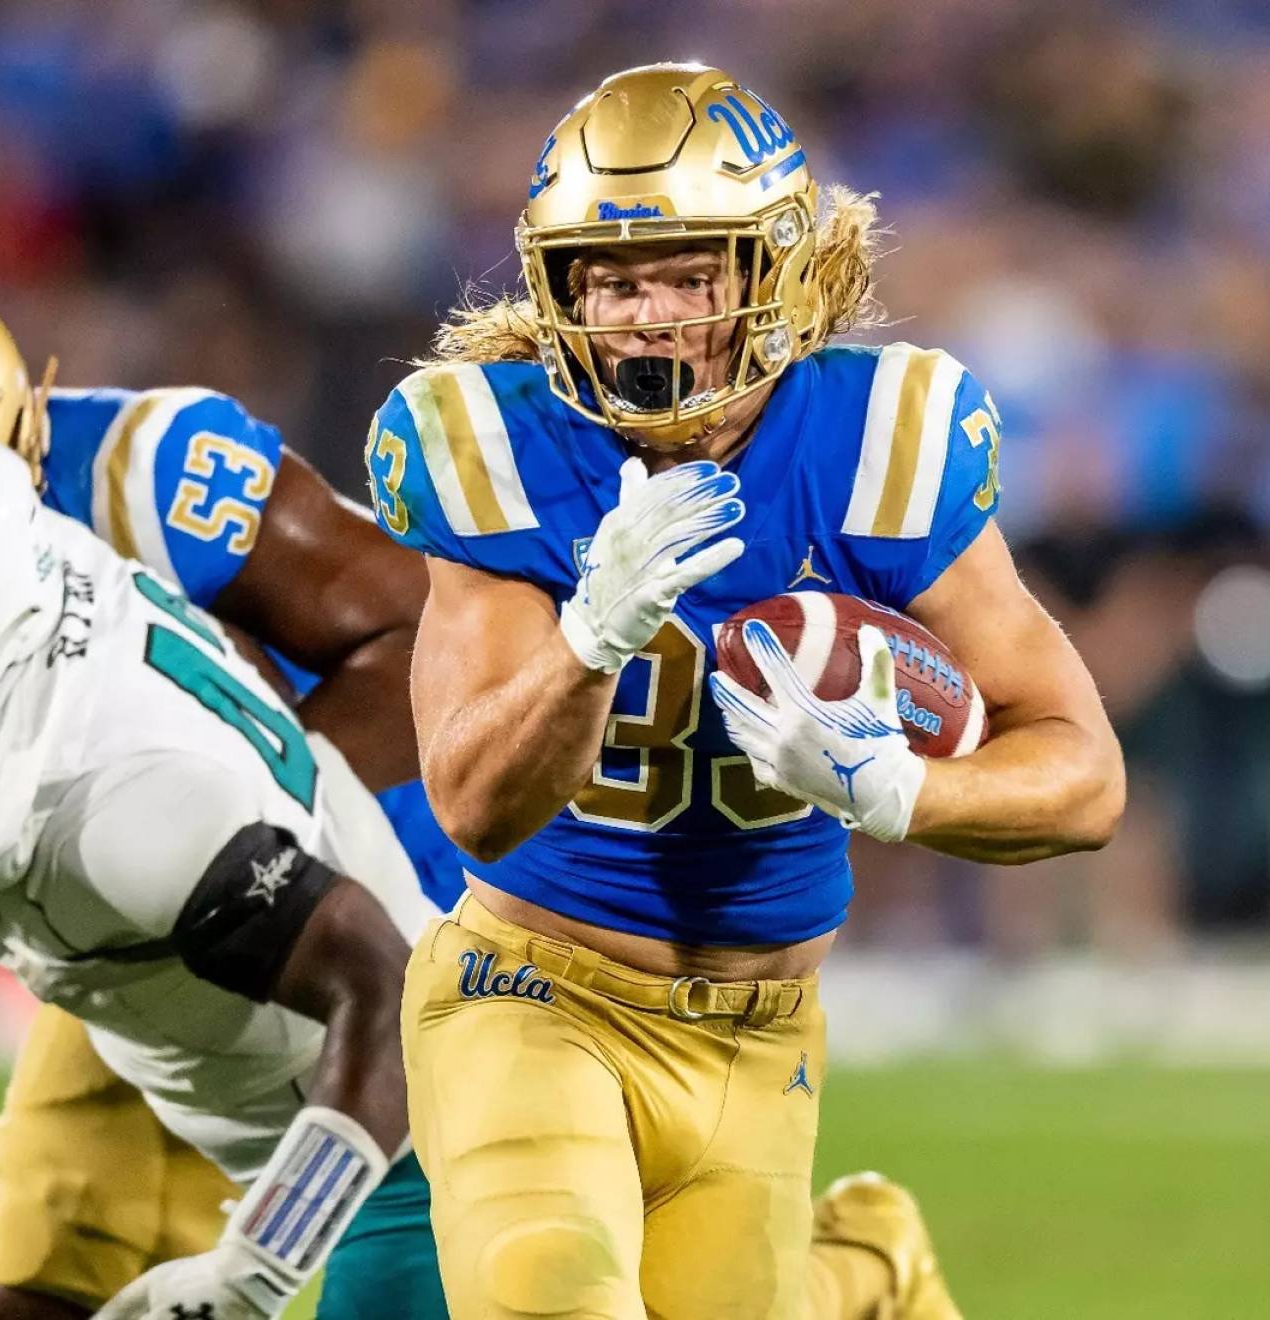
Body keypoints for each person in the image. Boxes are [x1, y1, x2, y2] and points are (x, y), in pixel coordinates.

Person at [365, 64, 1125, 1317]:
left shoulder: (876, 440)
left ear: (772, 271)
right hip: (531, 999)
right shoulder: (490, 444)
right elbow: (474, 804)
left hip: (762, 1029)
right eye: (610, 279)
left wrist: (900, 789)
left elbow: (1083, 776)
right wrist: (589, 641)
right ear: (558, 290)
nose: (645, 316)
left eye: (685, 274)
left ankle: (859, 1272)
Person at [0, 284, 454, 1320]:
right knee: (43, 1273)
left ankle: (843, 1281)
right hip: (112, 922)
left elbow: (424, 641)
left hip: (339, 903)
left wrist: (251, 805)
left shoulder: (146, 473)